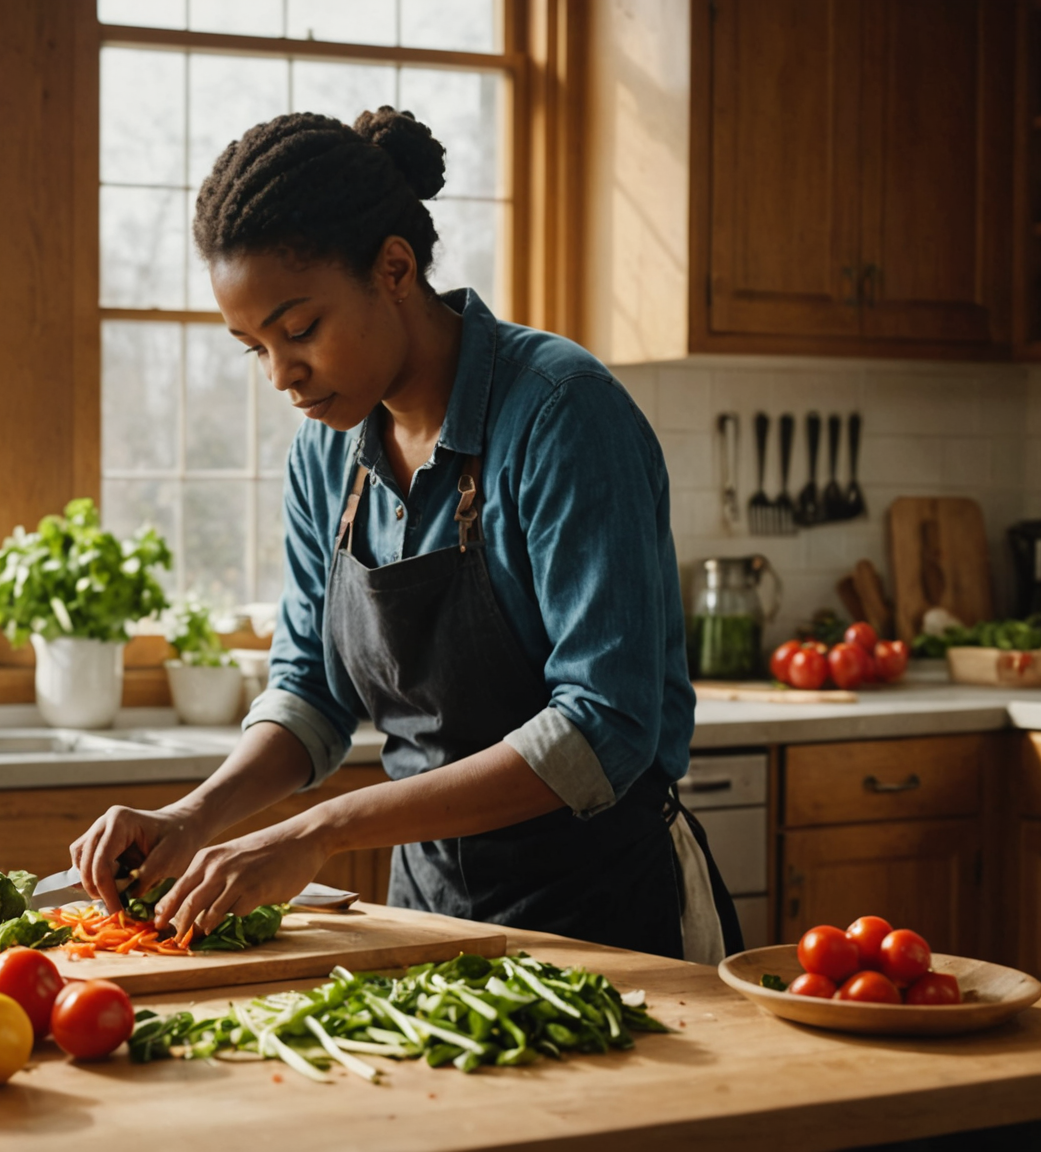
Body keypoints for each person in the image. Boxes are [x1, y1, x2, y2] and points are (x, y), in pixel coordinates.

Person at [70, 106, 741, 962]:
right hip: (425, 918)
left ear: (394, 268)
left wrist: (322, 830)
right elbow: (312, 690)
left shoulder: (563, 415)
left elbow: (603, 726)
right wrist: (190, 816)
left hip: (608, 917)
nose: (282, 376)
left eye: (300, 330)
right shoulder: (327, 454)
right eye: (255, 349)